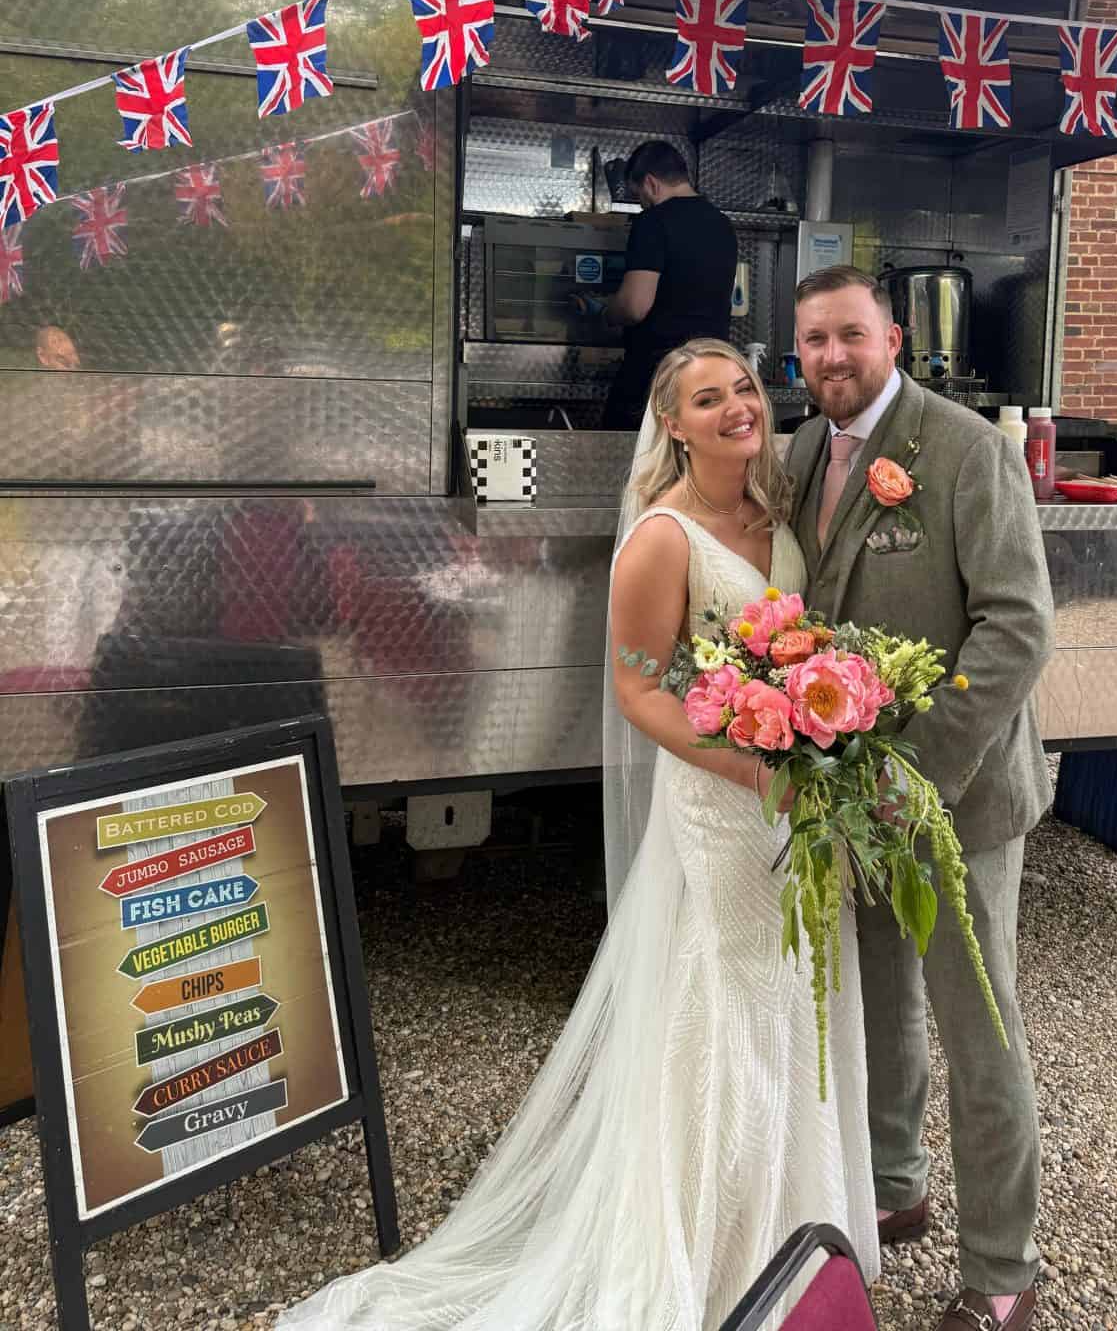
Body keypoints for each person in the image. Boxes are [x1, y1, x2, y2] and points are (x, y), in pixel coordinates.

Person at [275, 337, 878, 1331]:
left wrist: (819, 742)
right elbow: (640, 688)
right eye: (707, 397)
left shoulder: (775, 514)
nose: (736, 406)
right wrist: (752, 767)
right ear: (674, 425)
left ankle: (798, 1228)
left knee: (797, 999)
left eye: (741, 388)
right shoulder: (664, 537)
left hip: (794, 795)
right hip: (726, 801)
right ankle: (713, 1247)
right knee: (730, 1009)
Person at [786, 265, 1054, 1331]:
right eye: (813, 341)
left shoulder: (968, 450)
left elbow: (1017, 627)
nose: (833, 358)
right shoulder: (805, 450)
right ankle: (894, 1188)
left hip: (957, 800)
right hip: (850, 797)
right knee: (880, 1003)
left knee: (977, 1027)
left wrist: (920, 770)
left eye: (851, 336)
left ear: (894, 337)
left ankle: (1003, 1270)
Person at [596, 142, 738, 430]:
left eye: (640, 198)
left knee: (629, 459)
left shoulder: (653, 222)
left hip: (658, 374)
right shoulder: (723, 225)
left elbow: (635, 307)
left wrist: (606, 310)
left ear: (650, 183)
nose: (641, 205)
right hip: (712, 373)